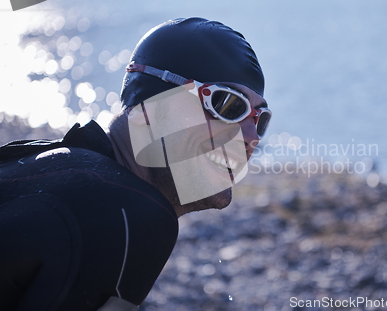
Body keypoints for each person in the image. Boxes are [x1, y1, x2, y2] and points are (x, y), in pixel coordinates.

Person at [0, 17, 271, 311]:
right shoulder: (128, 213)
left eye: (260, 119)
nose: (251, 137)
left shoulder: (46, 165)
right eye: (228, 105)